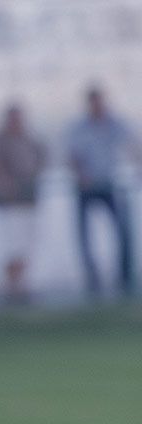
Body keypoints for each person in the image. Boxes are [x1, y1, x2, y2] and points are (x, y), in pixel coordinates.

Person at [66, 85, 140, 295]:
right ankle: (92, 277)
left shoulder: (114, 123)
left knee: (123, 229)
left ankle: (125, 276)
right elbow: (72, 155)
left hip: (109, 183)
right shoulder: (79, 127)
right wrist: (81, 176)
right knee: (84, 234)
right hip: (85, 186)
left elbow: (132, 144)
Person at [0, 104, 47, 303]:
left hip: (28, 199)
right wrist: (4, 183)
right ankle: (10, 288)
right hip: (9, 202)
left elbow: (41, 159)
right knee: (12, 246)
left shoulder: (29, 138)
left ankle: (21, 285)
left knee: (28, 244)